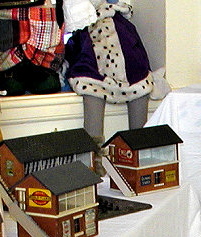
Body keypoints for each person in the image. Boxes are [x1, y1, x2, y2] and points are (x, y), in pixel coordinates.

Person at [63, 0, 153, 142]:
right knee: (92, 86)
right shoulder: (84, 30)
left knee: (136, 79)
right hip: (90, 33)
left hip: (111, 38)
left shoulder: (121, 27)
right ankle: (96, 151)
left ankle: (139, 146)